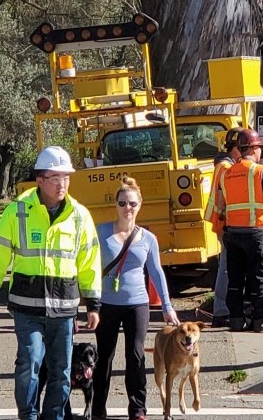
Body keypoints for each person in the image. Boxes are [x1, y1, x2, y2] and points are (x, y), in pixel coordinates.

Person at [0, 146, 102, 420]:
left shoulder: (80, 216)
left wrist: (93, 304)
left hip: (64, 309)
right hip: (26, 308)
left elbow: (89, 261)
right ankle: (28, 415)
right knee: (29, 363)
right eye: (55, 178)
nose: (62, 184)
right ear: (40, 180)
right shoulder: (16, 212)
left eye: (66, 177)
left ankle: (54, 416)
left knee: (62, 370)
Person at [94, 177, 178, 420]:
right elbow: (87, 266)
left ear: (139, 205)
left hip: (137, 303)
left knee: (136, 354)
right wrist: (88, 301)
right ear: (115, 205)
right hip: (106, 303)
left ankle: (138, 408)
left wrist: (167, 306)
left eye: (131, 203)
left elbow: (156, 272)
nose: (127, 208)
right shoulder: (101, 232)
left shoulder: (148, 238)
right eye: (122, 203)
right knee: (105, 355)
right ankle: (98, 408)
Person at [208, 128, 263, 333]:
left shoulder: (227, 172)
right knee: (259, 277)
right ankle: (261, 321)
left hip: (233, 233)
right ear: (252, 148)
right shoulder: (259, 171)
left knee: (235, 278)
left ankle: (235, 320)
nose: (260, 151)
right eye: (259, 147)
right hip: (255, 232)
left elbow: (222, 205)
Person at [205, 127, 243, 328]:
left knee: (226, 266)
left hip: (225, 220)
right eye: (243, 148)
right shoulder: (227, 168)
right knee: (226, 268)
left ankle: (223, 309)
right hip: (225, 221)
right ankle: (221, 311)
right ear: (235, 148)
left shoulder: (224, 165)